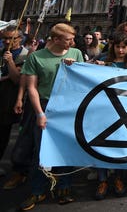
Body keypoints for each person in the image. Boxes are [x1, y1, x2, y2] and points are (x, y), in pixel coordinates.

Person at [19, 23, 84, 211]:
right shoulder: (36, 58)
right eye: (68, 39)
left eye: (73, 38)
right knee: (41, 150)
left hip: (68, 107)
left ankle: (64, 187)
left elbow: (84, 78)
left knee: (66, 149)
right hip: (45, 106)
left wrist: (75, 67)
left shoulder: (76, 53)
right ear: (55, 39)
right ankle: (37, 189)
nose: (72, 42)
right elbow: (32, 87)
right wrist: (39, 113)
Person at [95, 32, 127, 199]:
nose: (121, 50)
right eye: (118, 46)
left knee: (121, 145)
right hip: (105, 110)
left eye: (124, 47)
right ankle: (102, 179)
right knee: (101, 144)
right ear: (112, 46)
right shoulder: (104, 61)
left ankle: (118, 177)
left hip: (126, 111)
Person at [0, 26, 28, 188]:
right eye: (5, 38)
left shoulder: (24, 55)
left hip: (9, 99)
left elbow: (17, 79)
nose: (8, 42)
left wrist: (10, 61)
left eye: (11, 38)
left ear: (19, 39)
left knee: (3, 132)